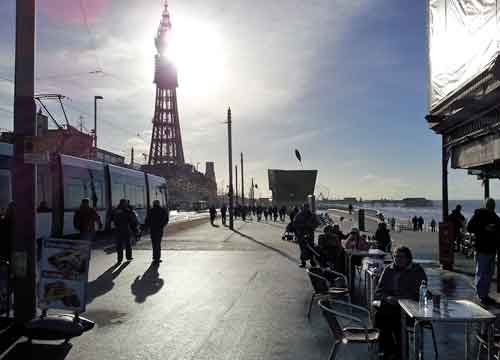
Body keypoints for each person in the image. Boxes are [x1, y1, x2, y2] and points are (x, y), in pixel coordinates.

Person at [374, 246, 427, 360]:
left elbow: (421, 293)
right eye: (396, 257)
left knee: (394, 320)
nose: (398, 259)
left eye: (401, 257)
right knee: (380, 316)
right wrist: (388, 298)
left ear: (408, 258)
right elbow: (378, 291)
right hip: (391, 304)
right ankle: (391, 350)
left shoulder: (417, 271)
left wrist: (401, 299)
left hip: (409, 306)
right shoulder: (388, 269)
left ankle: (398, 352)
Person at [467, 198, 500, 305]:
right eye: (490, 204)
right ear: (486, 205)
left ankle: (484, 295)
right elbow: (469, 228)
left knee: (488, 274)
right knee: (482, 273)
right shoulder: (479, 215)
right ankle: (481, 296)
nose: (492, 206)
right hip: (482, 249)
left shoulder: (495, 217)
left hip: (491, 250)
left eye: (493, 204)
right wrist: (484, 228)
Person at [293, 203, 319, 268]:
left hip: (310, 234)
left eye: (307, 207)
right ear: (303, 207)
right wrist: (301, 227)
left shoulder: (312, 215)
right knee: (302, 248)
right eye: (305, 207)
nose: (306, 208)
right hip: (301, 234)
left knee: (311, 248)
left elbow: (317, 223)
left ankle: (312, 261)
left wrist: (311, 226)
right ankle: (303, 262)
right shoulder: (299, 215)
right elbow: (295, 223)